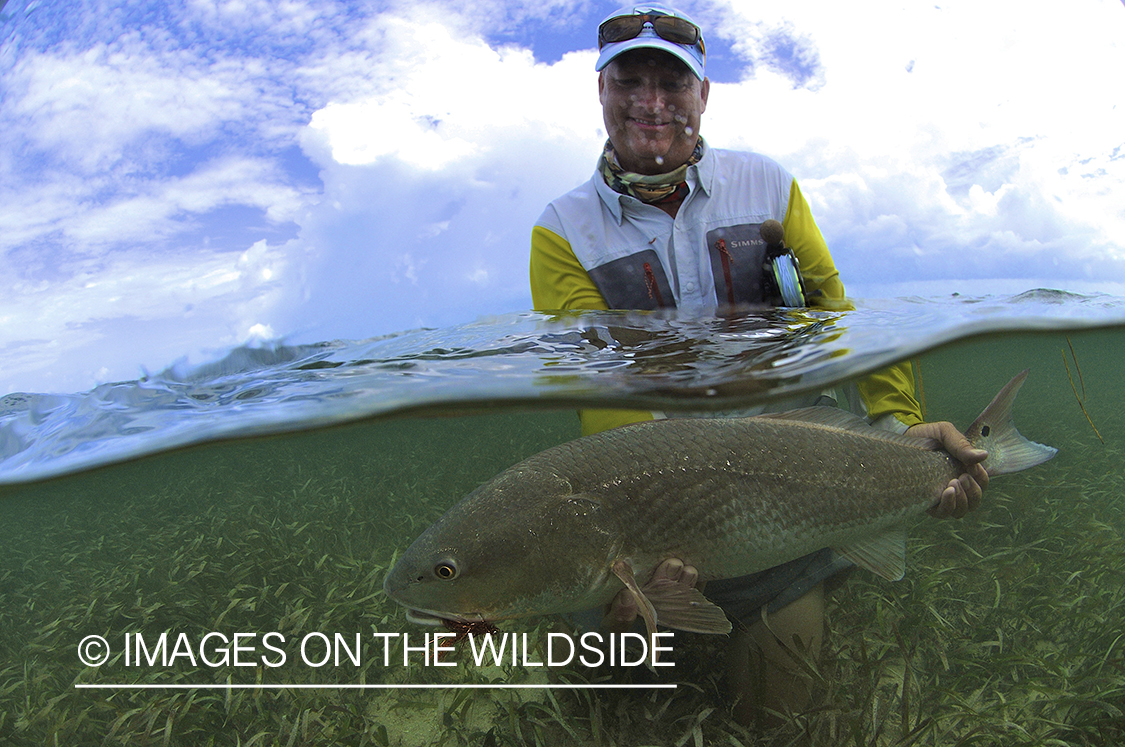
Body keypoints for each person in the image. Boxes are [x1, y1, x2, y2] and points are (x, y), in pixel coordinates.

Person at [529, 3, 988, 725]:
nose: (651, 102)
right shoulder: (561, 229)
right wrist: (640, 536)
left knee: (774, 720)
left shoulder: (769, 185)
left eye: (672, 84)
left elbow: (836, 317)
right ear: (601, 93)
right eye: (630, 81)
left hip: (787, 487)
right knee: (594, 703)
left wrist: (898, 427)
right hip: (654, 501)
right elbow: (599, 384)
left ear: (703, 95)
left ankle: (773, 594)